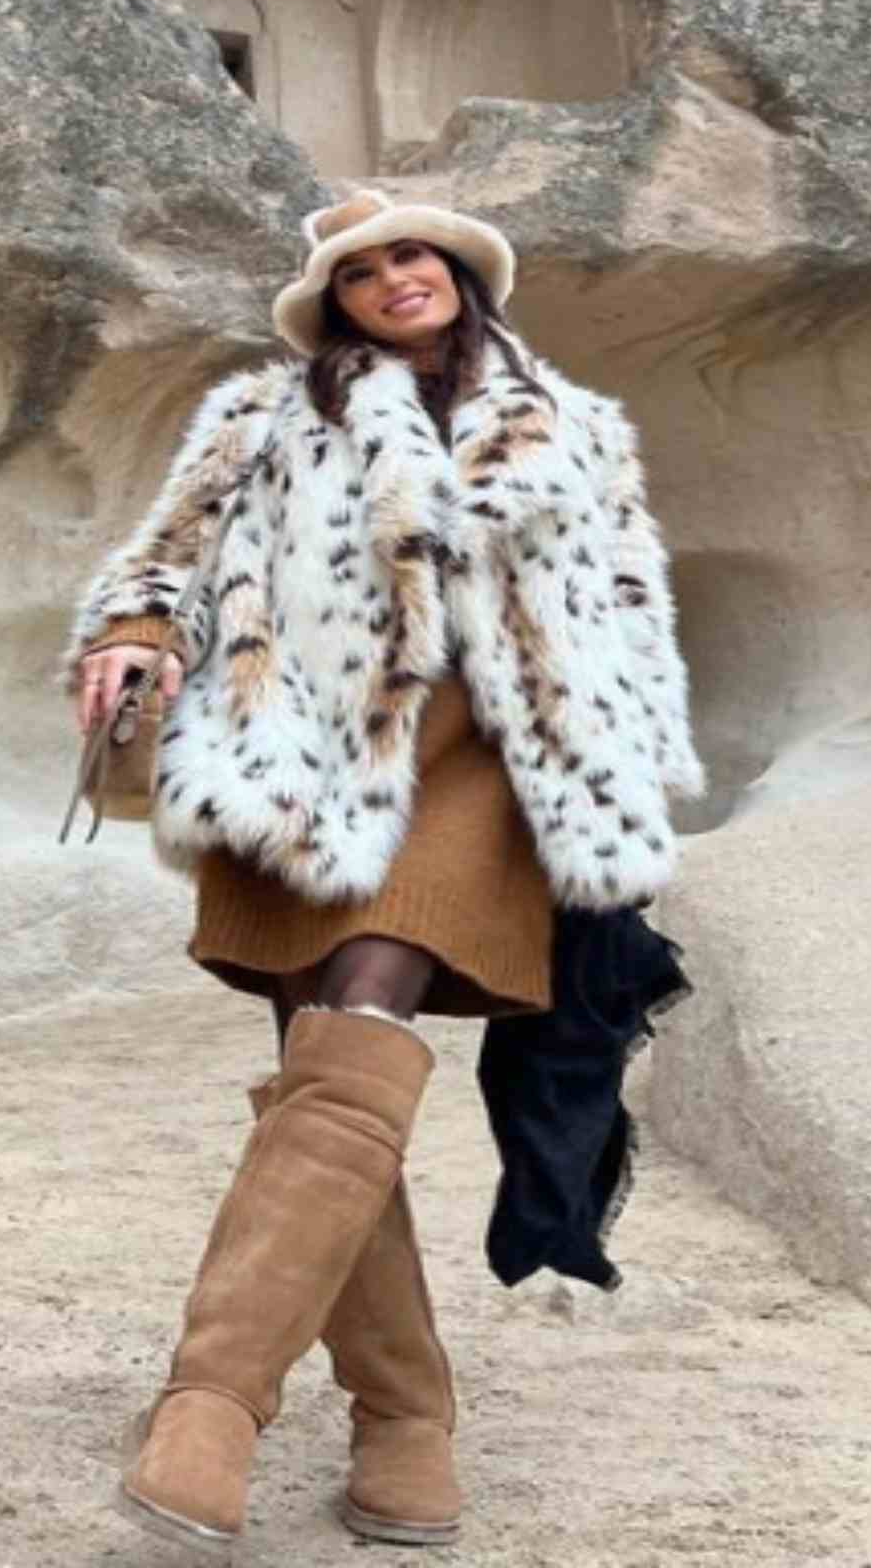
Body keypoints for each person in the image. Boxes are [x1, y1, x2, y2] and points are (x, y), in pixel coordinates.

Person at [67, 189, 703, 1554]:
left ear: (460, 272)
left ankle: (214, 1401)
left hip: (483, 769)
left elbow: (628, 600)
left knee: (369, 999)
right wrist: (129, 629)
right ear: (335, 303)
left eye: (412, 254)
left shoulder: (574, 427)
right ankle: (403, 1420)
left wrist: (625, 793)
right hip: (304, 756)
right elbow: (168, 550)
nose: (390, 278)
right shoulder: (260, 419)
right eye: (358, 272)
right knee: (326, 1067)